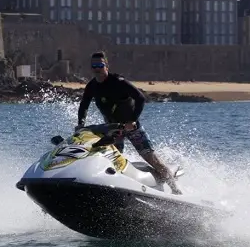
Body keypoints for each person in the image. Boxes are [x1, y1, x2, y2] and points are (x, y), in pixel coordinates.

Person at [76, 51, 182, 195]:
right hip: (113, 129)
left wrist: (132, 120)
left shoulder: (118, 82)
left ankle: (176, 190)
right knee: (110, 160)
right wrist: (80, 125)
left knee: (152, 159)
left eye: (100, 65)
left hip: (132, 127)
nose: (97, 68)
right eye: (94, 66)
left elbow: (140, 98)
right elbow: (84, 106)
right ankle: (115, 190)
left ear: (106, 66)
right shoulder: (92, 86)